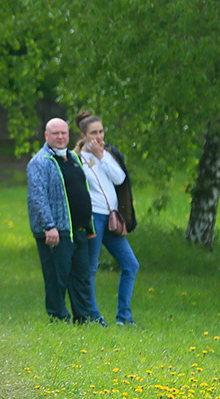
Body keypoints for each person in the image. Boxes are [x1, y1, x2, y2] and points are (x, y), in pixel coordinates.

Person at [26, 117, 103, 325]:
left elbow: (82, 191)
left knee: (81, 277)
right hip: (55, 232)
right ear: (46, 136)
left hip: (76, 230)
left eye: (64, 133)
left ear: (69, 135)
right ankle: (58, 318)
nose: (60, 137)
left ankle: (84, 318)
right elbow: (37, 197)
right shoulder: (40, 162)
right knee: (57, 278)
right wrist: (49, 226)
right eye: (55, 133)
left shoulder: (72, 158)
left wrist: (89, 226)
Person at [74, 111, 140, 326]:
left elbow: (120, 178)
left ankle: (124, 318)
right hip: (93, 218)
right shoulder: (77, 159)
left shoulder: (107, 153)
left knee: (131, 264)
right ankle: (94, 317)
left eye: (101, 132)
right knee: (91, 269)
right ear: (83, 135)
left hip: (112, 217)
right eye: (94, 133)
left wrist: (102, 157)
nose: (99, 137)